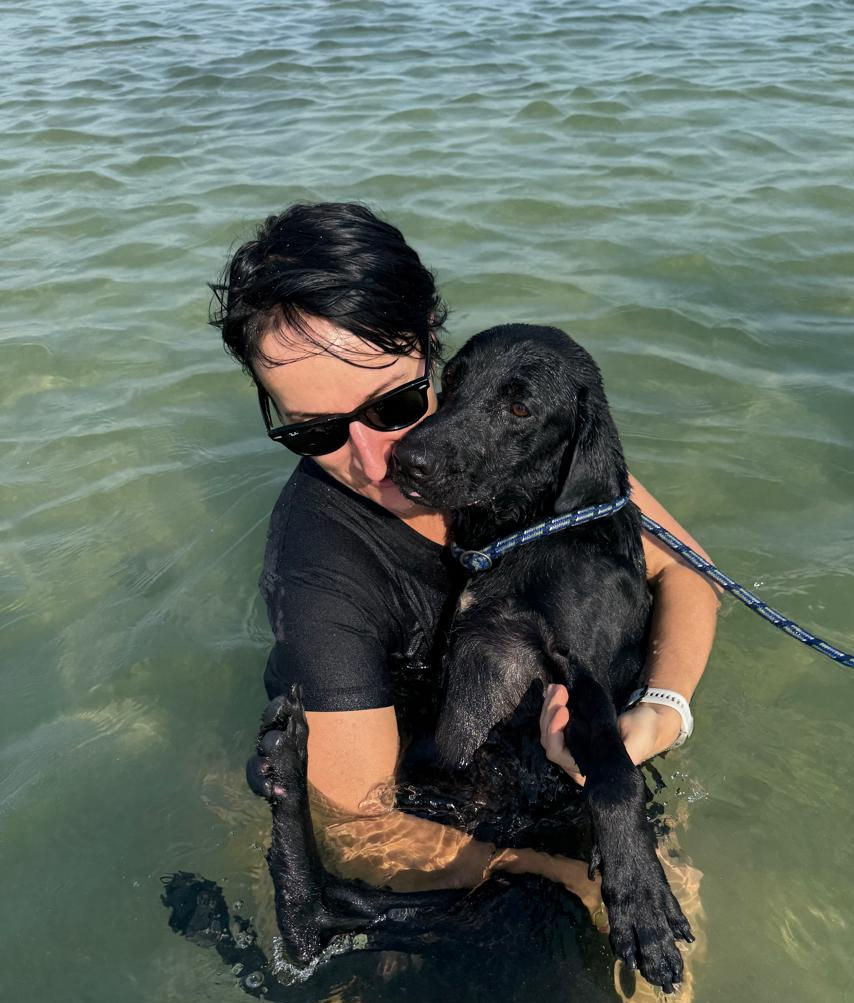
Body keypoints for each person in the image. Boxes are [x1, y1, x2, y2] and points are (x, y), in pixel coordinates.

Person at [210, 201, 720, 911]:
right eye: (314, 433)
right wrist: (578, 886)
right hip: (429, 837)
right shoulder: (320, 572)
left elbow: (687, 570)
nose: (376, 460)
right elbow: (361, 833)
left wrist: (661, 715)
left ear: (434, 350)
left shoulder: (522, 439)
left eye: (395, 406)